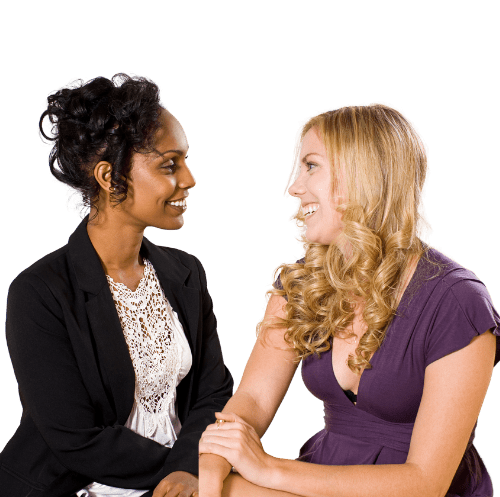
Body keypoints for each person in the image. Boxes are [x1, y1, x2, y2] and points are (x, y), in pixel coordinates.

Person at [199, 103, 500, 497]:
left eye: (311, 166)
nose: (293, 187)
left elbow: (425, 482)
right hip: (318, 480)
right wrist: (212, 465)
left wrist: (269, 469)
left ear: (363, 176)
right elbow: (253, 399)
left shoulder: (459, 303)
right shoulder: (303, 279)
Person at [1, 73, 233, 497]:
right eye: (169, 164)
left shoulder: (187, 272)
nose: (189, 179)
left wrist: (188, 469)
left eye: (185, 161)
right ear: (109, 177)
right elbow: (75, 437)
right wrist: (180, 471)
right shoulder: (38, 292)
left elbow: (213, 391)